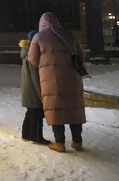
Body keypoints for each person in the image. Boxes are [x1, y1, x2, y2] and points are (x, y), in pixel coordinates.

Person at [28, 12, 86, 153]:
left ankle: (59, 143)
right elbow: (81, 55)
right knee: (74, 108)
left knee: (56, 109)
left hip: (51, 80)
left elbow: (32, 59)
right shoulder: (70, 35)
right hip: (73, 79)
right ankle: (77, 142)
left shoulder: (38, 37)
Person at [20, 29, 49, 144]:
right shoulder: (32, 56)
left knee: (30, 113)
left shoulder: (26, 52)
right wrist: (41, 94)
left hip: (28, 89)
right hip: (33, 91)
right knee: (37, 114)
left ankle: (26, 135)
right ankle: (36, 137)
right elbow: (35, 78)